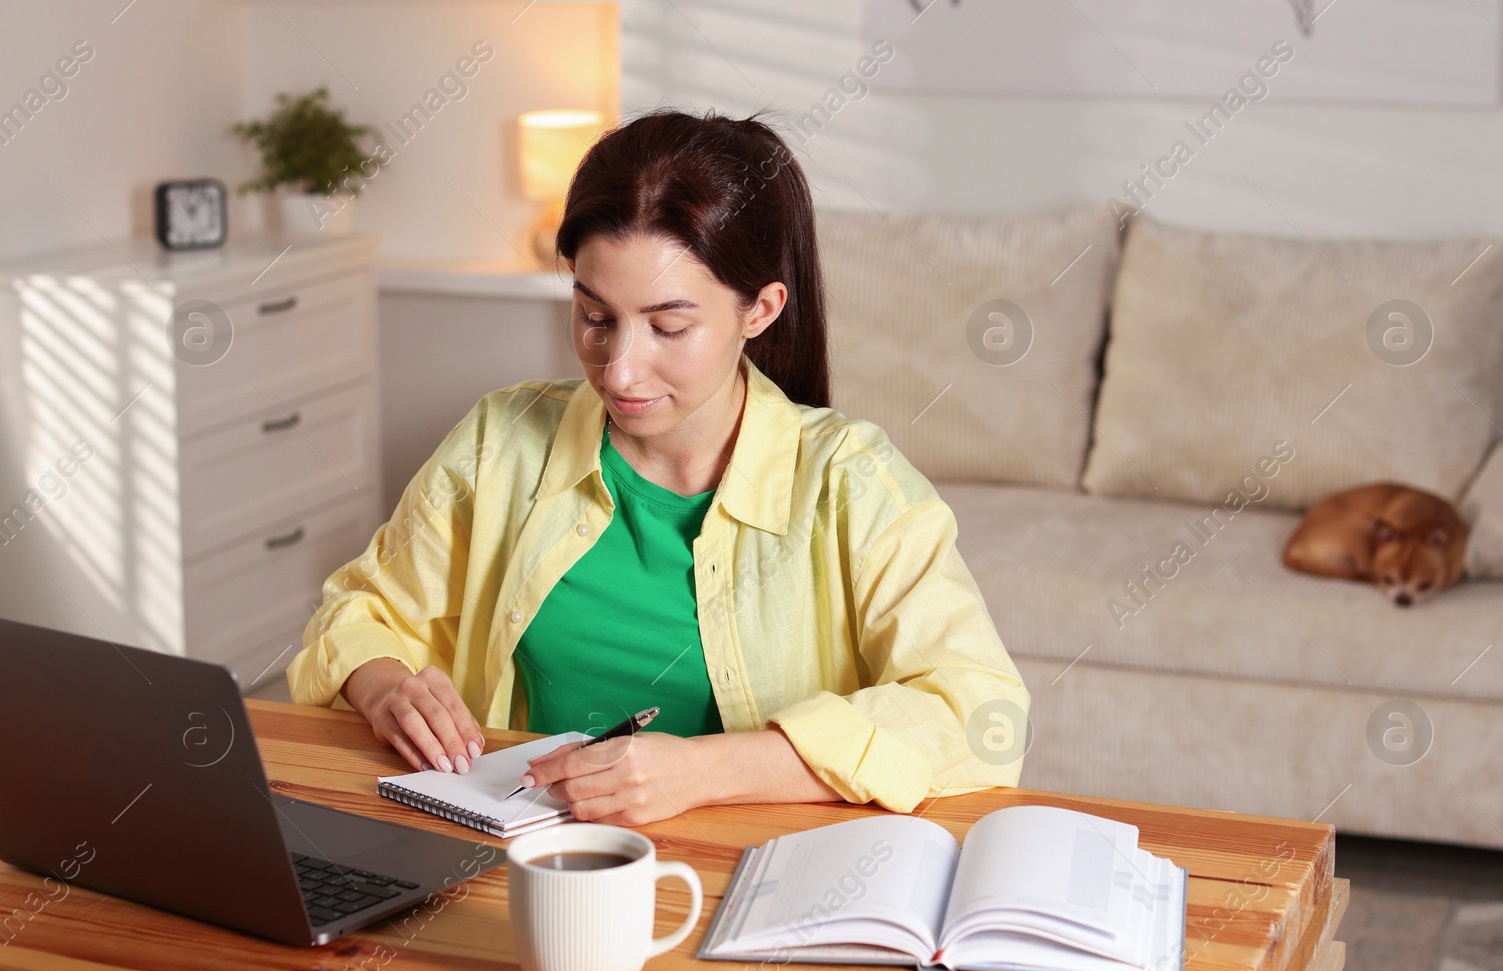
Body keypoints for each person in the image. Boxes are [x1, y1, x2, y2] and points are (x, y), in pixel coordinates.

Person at [286, 107, 1031, 826]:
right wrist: (383, 687)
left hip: (748, 881)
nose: (619, 371)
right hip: (528, 867)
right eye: (594, 316)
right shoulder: (501, 442)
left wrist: (710, 770)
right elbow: (356, 612)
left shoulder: (853, 482)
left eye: (668, 326)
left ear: (760, 310)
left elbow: (980, 712)